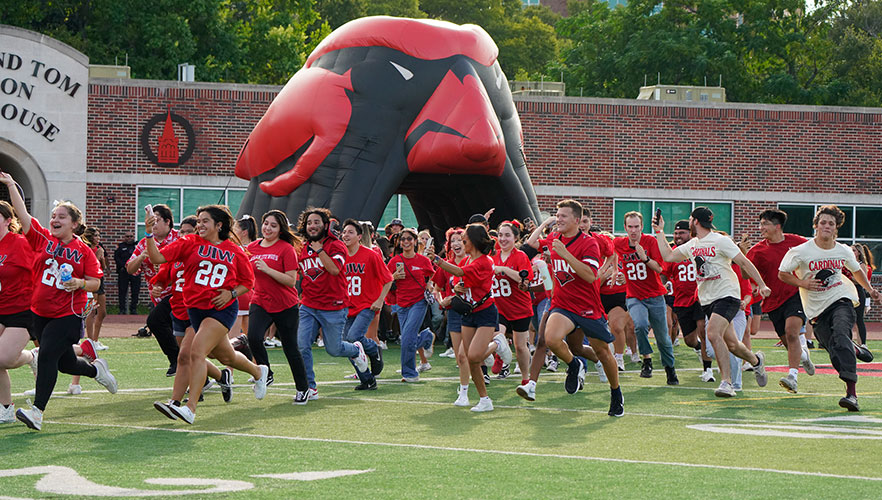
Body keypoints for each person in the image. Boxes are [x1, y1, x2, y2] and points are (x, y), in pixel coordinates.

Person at [2, 172, 117, 431]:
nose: (55, 220)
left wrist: (80, 284)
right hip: (39, 313)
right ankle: (97, 371)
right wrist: (11, 185)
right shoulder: (42, 239)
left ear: (74, 224)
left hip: (67, 314)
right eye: (54, 216)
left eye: (61, 217)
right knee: (65, 363)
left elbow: (96, 282)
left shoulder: (84, 251)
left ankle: (37, 412)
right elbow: (22, 215)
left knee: (46, 358)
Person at [145, 204, 267, 424]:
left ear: (219, 225)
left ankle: (188, 408)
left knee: (195, 352)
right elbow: (156, 258)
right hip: (195, 310)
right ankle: (258, 372)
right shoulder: (189, 242)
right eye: (198, 221)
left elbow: (247, 283)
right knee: (225, 357)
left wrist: (230, 294)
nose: (199, 225)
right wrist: (148, 234)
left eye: (205, 221)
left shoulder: (235, 251)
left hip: (221, 309)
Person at [517, 200, 623, 416]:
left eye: (563, 216)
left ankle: (616, 394)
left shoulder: (588, 243)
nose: (559, 219)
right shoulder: (555, 238)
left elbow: (590, 275)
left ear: (576, 220)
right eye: (557, 215)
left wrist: (566, 254)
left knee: (601, 351)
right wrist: (545, 222)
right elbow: (531, 243)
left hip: (588, 307)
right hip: (562, 304)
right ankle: (574, 365)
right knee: (550, 339)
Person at [654, 208, 770, 397]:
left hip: (728, 295)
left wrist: (762, 284)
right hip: (708, 299)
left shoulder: (721, 240)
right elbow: (668, 256)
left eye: (690, 219)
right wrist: (659, 231)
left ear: (696, 222)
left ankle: (726, 383)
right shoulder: (693, 244)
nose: (689, 222)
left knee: (713, 333)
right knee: (732, 343)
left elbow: (744, 262)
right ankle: (756, 360)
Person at [778, 205, 882, 411]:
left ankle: (851, 394)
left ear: (836, 229)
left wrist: (870, 290)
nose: (827, 226)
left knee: (841, 337)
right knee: (835, 349)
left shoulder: (842, 250)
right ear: (816, 225)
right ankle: (853, 348)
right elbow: (783, 273)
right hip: (817, 310)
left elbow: (856, 272)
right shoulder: (801, 251)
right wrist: (803, 283)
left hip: (841, 299)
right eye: (823, 222)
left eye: (831, 224)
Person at [296, 207, 369, 400]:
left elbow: (335, 270)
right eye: (309, 222)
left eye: (316, 222)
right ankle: (309, 387)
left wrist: (319, 249)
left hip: (334, 306)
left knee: (334, 349)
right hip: (309, 305)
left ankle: (355, 350)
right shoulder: (303, 246)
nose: (312, 226)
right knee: (301, 345)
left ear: (326, 225)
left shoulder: (336, 245)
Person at [427, 224, 500, 412]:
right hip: (468, 312)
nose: (461, 242)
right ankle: (485, 399)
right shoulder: (467, 259)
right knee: (469, 358)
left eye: (464, 239)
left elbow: (459, 272)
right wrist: (458, 287)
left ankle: (497, 345)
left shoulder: (484, 261)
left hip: (485, 312)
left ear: (473, 241)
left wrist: (436, 259)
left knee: (474, 355)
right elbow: (458, 279)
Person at [746, 209, 815, 392]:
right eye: (760, 224)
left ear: (777, 226)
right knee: (788, 341)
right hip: (773, 301)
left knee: (792, 332)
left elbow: (815, 251)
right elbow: (745, 272)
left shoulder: (797, 242)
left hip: (796, 295)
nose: (761, 228)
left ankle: (792, 377)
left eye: (765, 224)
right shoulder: (758, 250)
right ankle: (804, 357)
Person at [245, 210, 310, 403]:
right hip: (260, 301)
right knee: (253, 338)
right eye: (266, 224)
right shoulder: (252, 247)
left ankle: (303, 388)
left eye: (273, 225)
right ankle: (265, 372)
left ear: (281, 229)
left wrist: (267, 269)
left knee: (291, 348)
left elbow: (291, 281)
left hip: (285, 305)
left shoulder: (286, 249)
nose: (268, 228)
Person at [613, 211, 679, 385]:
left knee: (663, 338)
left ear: (642, 227)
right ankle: (647, 360)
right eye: (630, 227)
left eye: (636, 227)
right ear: (625, 228)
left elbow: (659, 269)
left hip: (655, 296)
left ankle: (670, 369)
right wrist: (617, 272)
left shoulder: (650, 242)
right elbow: (606, 251)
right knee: (640, 325)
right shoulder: (619, 243)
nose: (633, 230)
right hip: (634, 295)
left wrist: (645, 258)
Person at [126, 204, 181, 376]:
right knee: (176, 336)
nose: (153, 224)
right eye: (151, 221)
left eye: (157, 220)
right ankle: (209, 377)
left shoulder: (179, 238)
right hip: (157, 296)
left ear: (168, 222)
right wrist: (142, 257)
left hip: (178, 293)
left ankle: (177, 362)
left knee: (155, 321)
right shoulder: (144, 243)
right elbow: (130, 268)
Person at [340, 218, 391, 390]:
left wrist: (380, 300)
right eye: (344, 232)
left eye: (350, 232)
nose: (346, 235)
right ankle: (367, 379)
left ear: (359, 236)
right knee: (347, 345)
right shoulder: (339, 256)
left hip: (367, 305)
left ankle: (373, 349)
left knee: (353, 338)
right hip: (346, 307)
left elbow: (388, 279)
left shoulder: (371, 255)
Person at [0, 199, 38, 424]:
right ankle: (5, 408)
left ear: (8, 220)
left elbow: (40, 266)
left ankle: (32, 356)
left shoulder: (20, 243)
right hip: (1, 306)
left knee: (3, 357)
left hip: (23, 309)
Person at [662, 220, 712, 381]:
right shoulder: (674, 253)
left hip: (700, 297)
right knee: (690, 341)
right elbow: (664, 273)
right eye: (675, 234)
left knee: (703, 330)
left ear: (690, 233)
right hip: (682, 301)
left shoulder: (700, 249)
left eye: (681, 233)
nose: (677, 236)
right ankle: (700, 349)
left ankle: (708, 370)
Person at [388, 227, 436, 382]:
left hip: (419, 301)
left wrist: (430, 285)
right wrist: (393, 276)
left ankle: (409, 373)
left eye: (409, 239)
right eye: (403, 239)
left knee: (408, 338)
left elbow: (433, 275)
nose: (406, 242)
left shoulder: (423, 260)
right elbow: (384, 279)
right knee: (407, 338)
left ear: (415, 242)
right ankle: (427, 336)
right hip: (402, 303)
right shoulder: (395, 261)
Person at [491, 221, 532, 379]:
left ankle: (525, 378)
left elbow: (524, 280)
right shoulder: (493, 255)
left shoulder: (520, 256)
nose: (503, 238)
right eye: (500, 235)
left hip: (519, 307)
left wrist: (505, 270)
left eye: (507, 235)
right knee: (496, 335)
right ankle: (499, 355)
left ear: (516, 238)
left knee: (520, 347)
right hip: (499, 306)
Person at [114, 231, 140, 314]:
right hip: (123, 272)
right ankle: (122, 309)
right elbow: (116, 258)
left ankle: (133, 309)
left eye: (131, 236)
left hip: (135, 271)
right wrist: (125, 266)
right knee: (122, 291)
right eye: (127, 236)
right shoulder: (120, 247)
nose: (129, 238)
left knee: (135, 291)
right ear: (124, 238)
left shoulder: (137, 246)